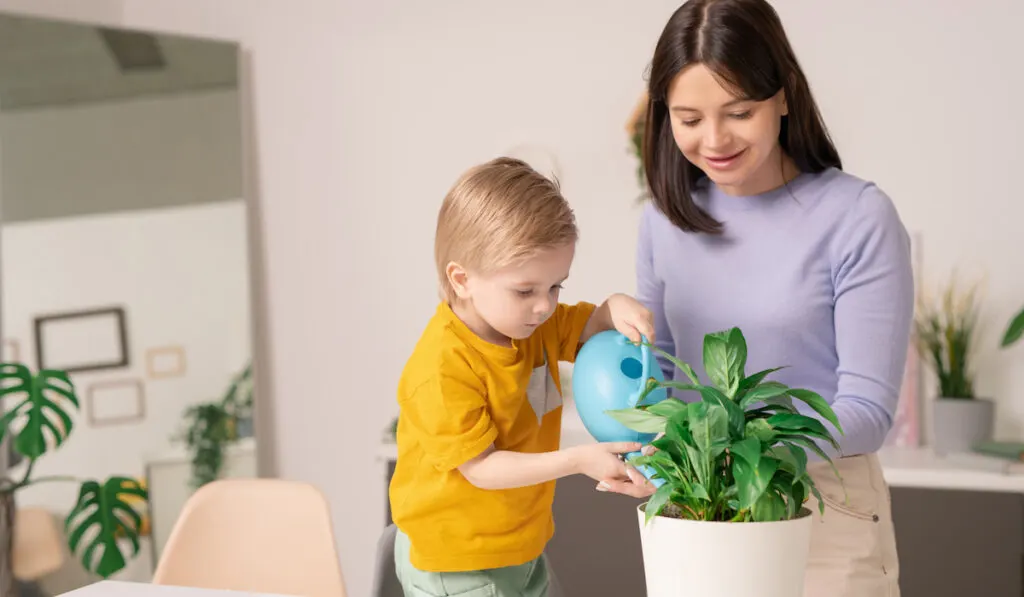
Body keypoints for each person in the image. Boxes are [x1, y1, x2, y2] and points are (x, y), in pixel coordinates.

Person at [634, 1, 913, 595]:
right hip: (694, 511)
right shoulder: (663, 221)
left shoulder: (857, 217)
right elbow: (659, 374)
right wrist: (643, 448)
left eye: (739, 112)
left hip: (823, 508)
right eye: (688, 119)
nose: (714, 140)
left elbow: (866, 412)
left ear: (783, 97)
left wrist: (735, 450)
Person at [389, 156, 656, 597]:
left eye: (556, 287)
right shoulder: (442, 368)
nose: (544, 306)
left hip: (518, 544)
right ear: (462, 279)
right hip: (458, 559)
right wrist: (577, 459)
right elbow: (481, 468)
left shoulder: (533, 326)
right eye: (525, 290)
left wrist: (614, 306)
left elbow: (587, 327)